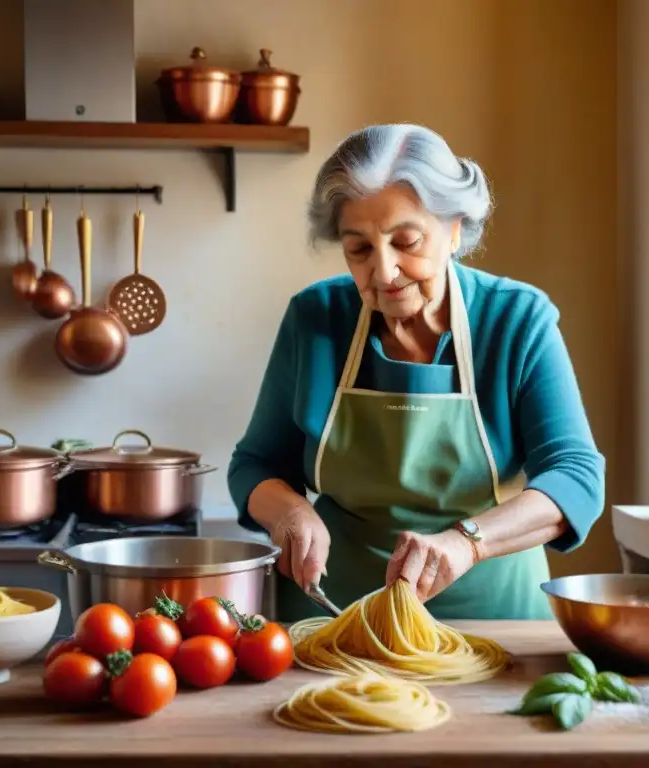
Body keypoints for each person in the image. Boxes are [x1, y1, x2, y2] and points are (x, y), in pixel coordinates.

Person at [227, 123, 605, 622]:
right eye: (358, 249)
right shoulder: (315, 317)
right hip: (333, 616)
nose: (383, 273)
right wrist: (291, 513)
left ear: (454, 229)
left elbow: (576, 477)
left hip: (496, 621)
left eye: (406, 241)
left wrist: (468, 542)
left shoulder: (517, 319)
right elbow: (255, 464)